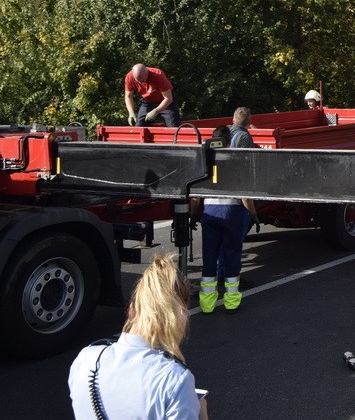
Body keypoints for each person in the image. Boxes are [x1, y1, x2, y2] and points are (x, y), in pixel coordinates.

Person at [68, 254, 209, 420]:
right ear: (178, 321)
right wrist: (202, 413)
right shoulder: (175, 379)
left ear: (132, 310)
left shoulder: (86, 359)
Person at [199, 107, 258, 313]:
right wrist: (253, 214)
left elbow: (196, 193)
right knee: (232, 256)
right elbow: (244, 195)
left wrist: (191, 216)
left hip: (209, 214)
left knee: (209, 258)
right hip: (231, 214)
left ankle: (206, 304)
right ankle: (231, 301)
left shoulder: (206, 161)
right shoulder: (234, 161)